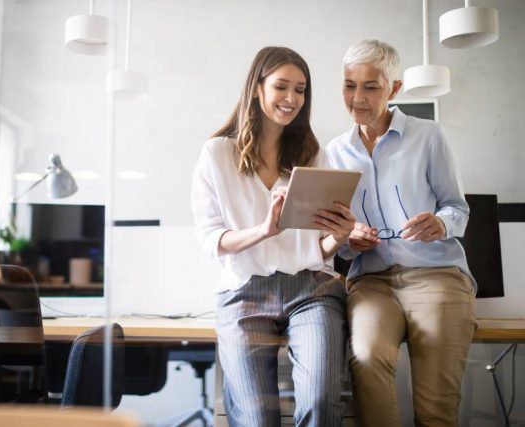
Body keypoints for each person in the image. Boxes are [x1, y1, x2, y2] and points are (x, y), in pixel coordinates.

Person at [191, 46, 355, 427]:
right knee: (254, 417)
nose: (292, 99)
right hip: (244, 292)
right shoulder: (217, 154)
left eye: (300, 90)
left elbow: (318, 248)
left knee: (320, 399)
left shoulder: (311, 154)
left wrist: (339, 237)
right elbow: (211, 240)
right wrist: (264, 231)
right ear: (256, 89)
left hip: (311, 290)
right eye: (282, 87)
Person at [326, 39, 477, 427]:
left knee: (434, 407)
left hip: (437, 276)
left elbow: (457, 208)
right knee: (365, 358)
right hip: (371, 282)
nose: (357, 98)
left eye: (370, 86)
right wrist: (350, 240)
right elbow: (335, 239)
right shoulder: (333, 153)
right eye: (348, 85)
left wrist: (441, 223)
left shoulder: (429, 136)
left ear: (394, 89)